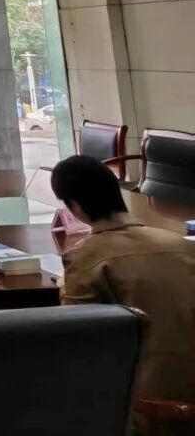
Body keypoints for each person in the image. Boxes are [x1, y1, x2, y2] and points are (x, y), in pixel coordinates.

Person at [52, 155, 195, 435]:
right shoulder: (181, 244)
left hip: (145, 407)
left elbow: (76, 335)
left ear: (75, 206)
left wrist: (65, 287)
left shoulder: (85, 257)